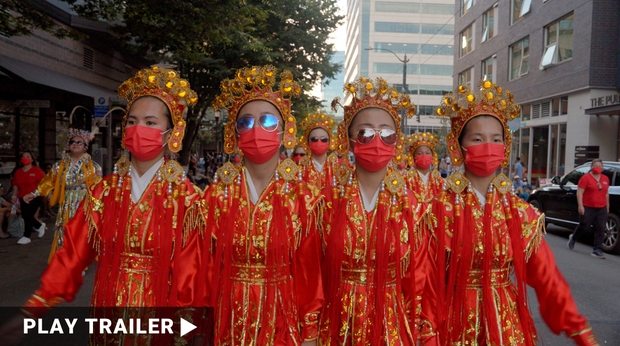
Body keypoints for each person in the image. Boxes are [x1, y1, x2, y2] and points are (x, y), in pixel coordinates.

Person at [0, 66, 205, 346]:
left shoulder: (188, 199)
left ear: (170, 133)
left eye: (150, 122)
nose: (137, 129)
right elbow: (71, 256)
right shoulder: (104, 192)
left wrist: (184, 334)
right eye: (131, 121)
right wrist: (31, 312)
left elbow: (192, 278)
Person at [428, 81, 598, 345]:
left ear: (505, 147)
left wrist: (579, 330)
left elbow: (548, 280)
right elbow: (423, 282)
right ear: (458, 146)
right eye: (477, 139)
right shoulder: (438, 210)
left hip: (505, 323)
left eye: (496, 139)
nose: (488, 146)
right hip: (453, 323)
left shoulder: (519, 214)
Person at [205, 65, 323, 346]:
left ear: (285, 131)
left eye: (268, 121)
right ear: (234, 134)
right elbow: (204, 270)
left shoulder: (305, 199)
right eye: (245, 123)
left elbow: (309, 272)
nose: (256, 130)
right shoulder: (214, 197)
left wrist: (310, 332)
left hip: (282, 318)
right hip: (226, 319)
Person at [320, 77, 437, 345]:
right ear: (349, 141)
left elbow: (419, 280)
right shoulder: (326, 203)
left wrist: (423, 333)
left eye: (386, 134)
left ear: (396, 142)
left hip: (392, 326)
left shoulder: (413, 208)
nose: (376, 140)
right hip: (337, 325)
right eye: (365, 133)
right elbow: (311, 275)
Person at [24, 129, 102, 263]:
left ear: (85, 146)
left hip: (84, 202)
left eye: (79, 142)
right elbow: (48, 181)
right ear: (68, 145)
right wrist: (34, 193)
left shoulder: (94, 167)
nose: (75, 144)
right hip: (66, 202)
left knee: (81, 232)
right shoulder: (60, 165)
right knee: (64, 230)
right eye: (72, 142)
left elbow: (99, 188)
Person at [568, 159, 609, 259]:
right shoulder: (585, 178)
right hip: (588, 206)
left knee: (601, 227)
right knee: (584, 225)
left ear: (602, 168)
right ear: (591, 167)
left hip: (601, 207)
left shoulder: (605, 178)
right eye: (595, 165)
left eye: (599, 166)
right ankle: (573, 238)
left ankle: (597, 249)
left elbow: (606, 193)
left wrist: (607, 206)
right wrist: (580, 205)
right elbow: (580, 192)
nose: (597, 168)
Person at [12, 150, 46, 245]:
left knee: (28, 215)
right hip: (22, 196)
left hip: (35, 196)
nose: (25, 158)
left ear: (32, 159)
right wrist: (14, 196)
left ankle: (26, 236)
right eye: (23, 156)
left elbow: (44, 184)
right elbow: (15, 185)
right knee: (25, 215)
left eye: (27, 156)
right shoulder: (18, 172)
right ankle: (39, 226)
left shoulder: (37, 171)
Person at [299, 112, 337, 189]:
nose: (319, 142)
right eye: (314, 139)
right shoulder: (301, 168)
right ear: (307, 142)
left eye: (323, 139)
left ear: (329, 142)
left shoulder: (336, 168)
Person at [406, 132, 445, 203]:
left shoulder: (440, 182)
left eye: (427, 153)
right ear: (414, 157)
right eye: (420, 154)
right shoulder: (407, 181)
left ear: (433, 156)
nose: (424, 156)